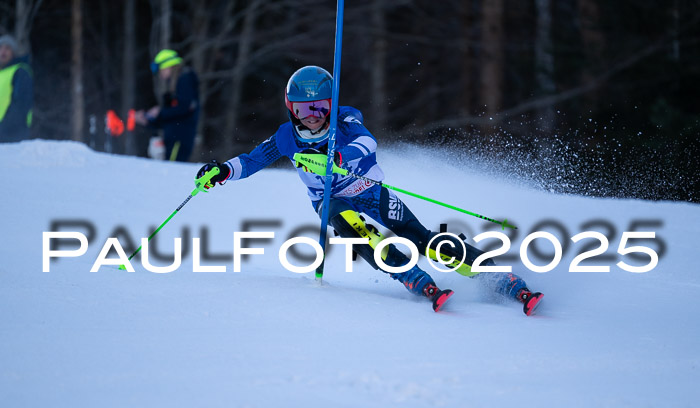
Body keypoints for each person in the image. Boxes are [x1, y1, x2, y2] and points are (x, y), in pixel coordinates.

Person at [197, 66, 544, 314]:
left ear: (331, 104)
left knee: (421, 237)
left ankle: (497, 276)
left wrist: (340, 155)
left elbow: (368, 141)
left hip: (366, 187)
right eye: (304, 109)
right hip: (329, 201)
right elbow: (253, 160)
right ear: (291, 109)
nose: (314, 116)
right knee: (350, 224)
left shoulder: (345, 120)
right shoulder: (286, 137)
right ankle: (410, 275)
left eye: (320, 107)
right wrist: (223, 171)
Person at [135, 49, 199, 162]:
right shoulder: (176, 82)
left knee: (174, 168)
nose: (159, 73)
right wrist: (149, 120)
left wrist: (158, 112)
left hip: (180, 138)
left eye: (160, 69)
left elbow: (183, 109)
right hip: (175, 137)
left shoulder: (184, 79)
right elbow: (172, 115)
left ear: (168, 66)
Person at [0, 34, 33, 143]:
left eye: (7, 48)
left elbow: (21, 104)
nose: (3, 51)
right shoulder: (2, 74)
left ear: (13, 53)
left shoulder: (20, 71)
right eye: (1, 48)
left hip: (12, 134)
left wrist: (4, 129)